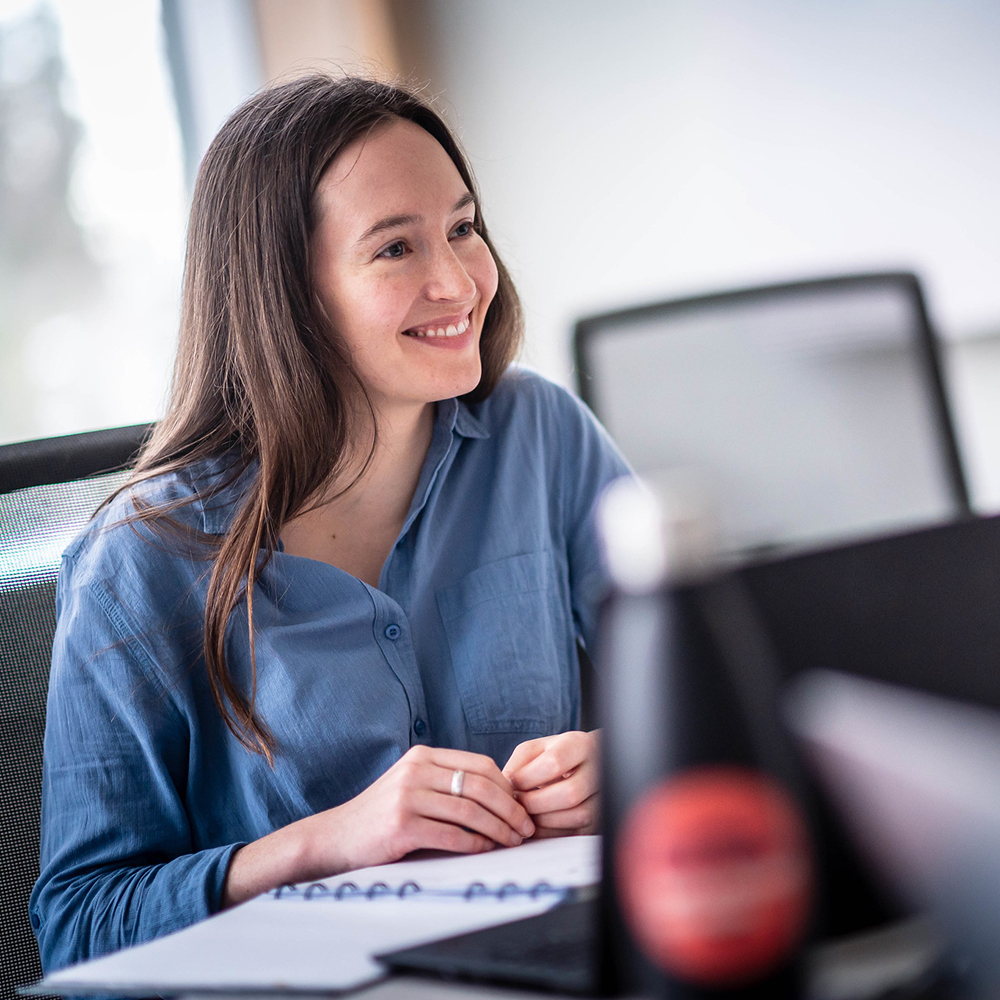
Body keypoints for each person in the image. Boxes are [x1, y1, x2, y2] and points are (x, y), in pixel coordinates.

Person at [31, 75, 630, 973]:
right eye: (395, 248)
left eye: (462, 228)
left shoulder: (540, 434)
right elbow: (78, 926)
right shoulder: (139, 560)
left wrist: (628, 758)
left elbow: (707, 686)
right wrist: (325, 844)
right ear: (288, 295)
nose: (458, 280)